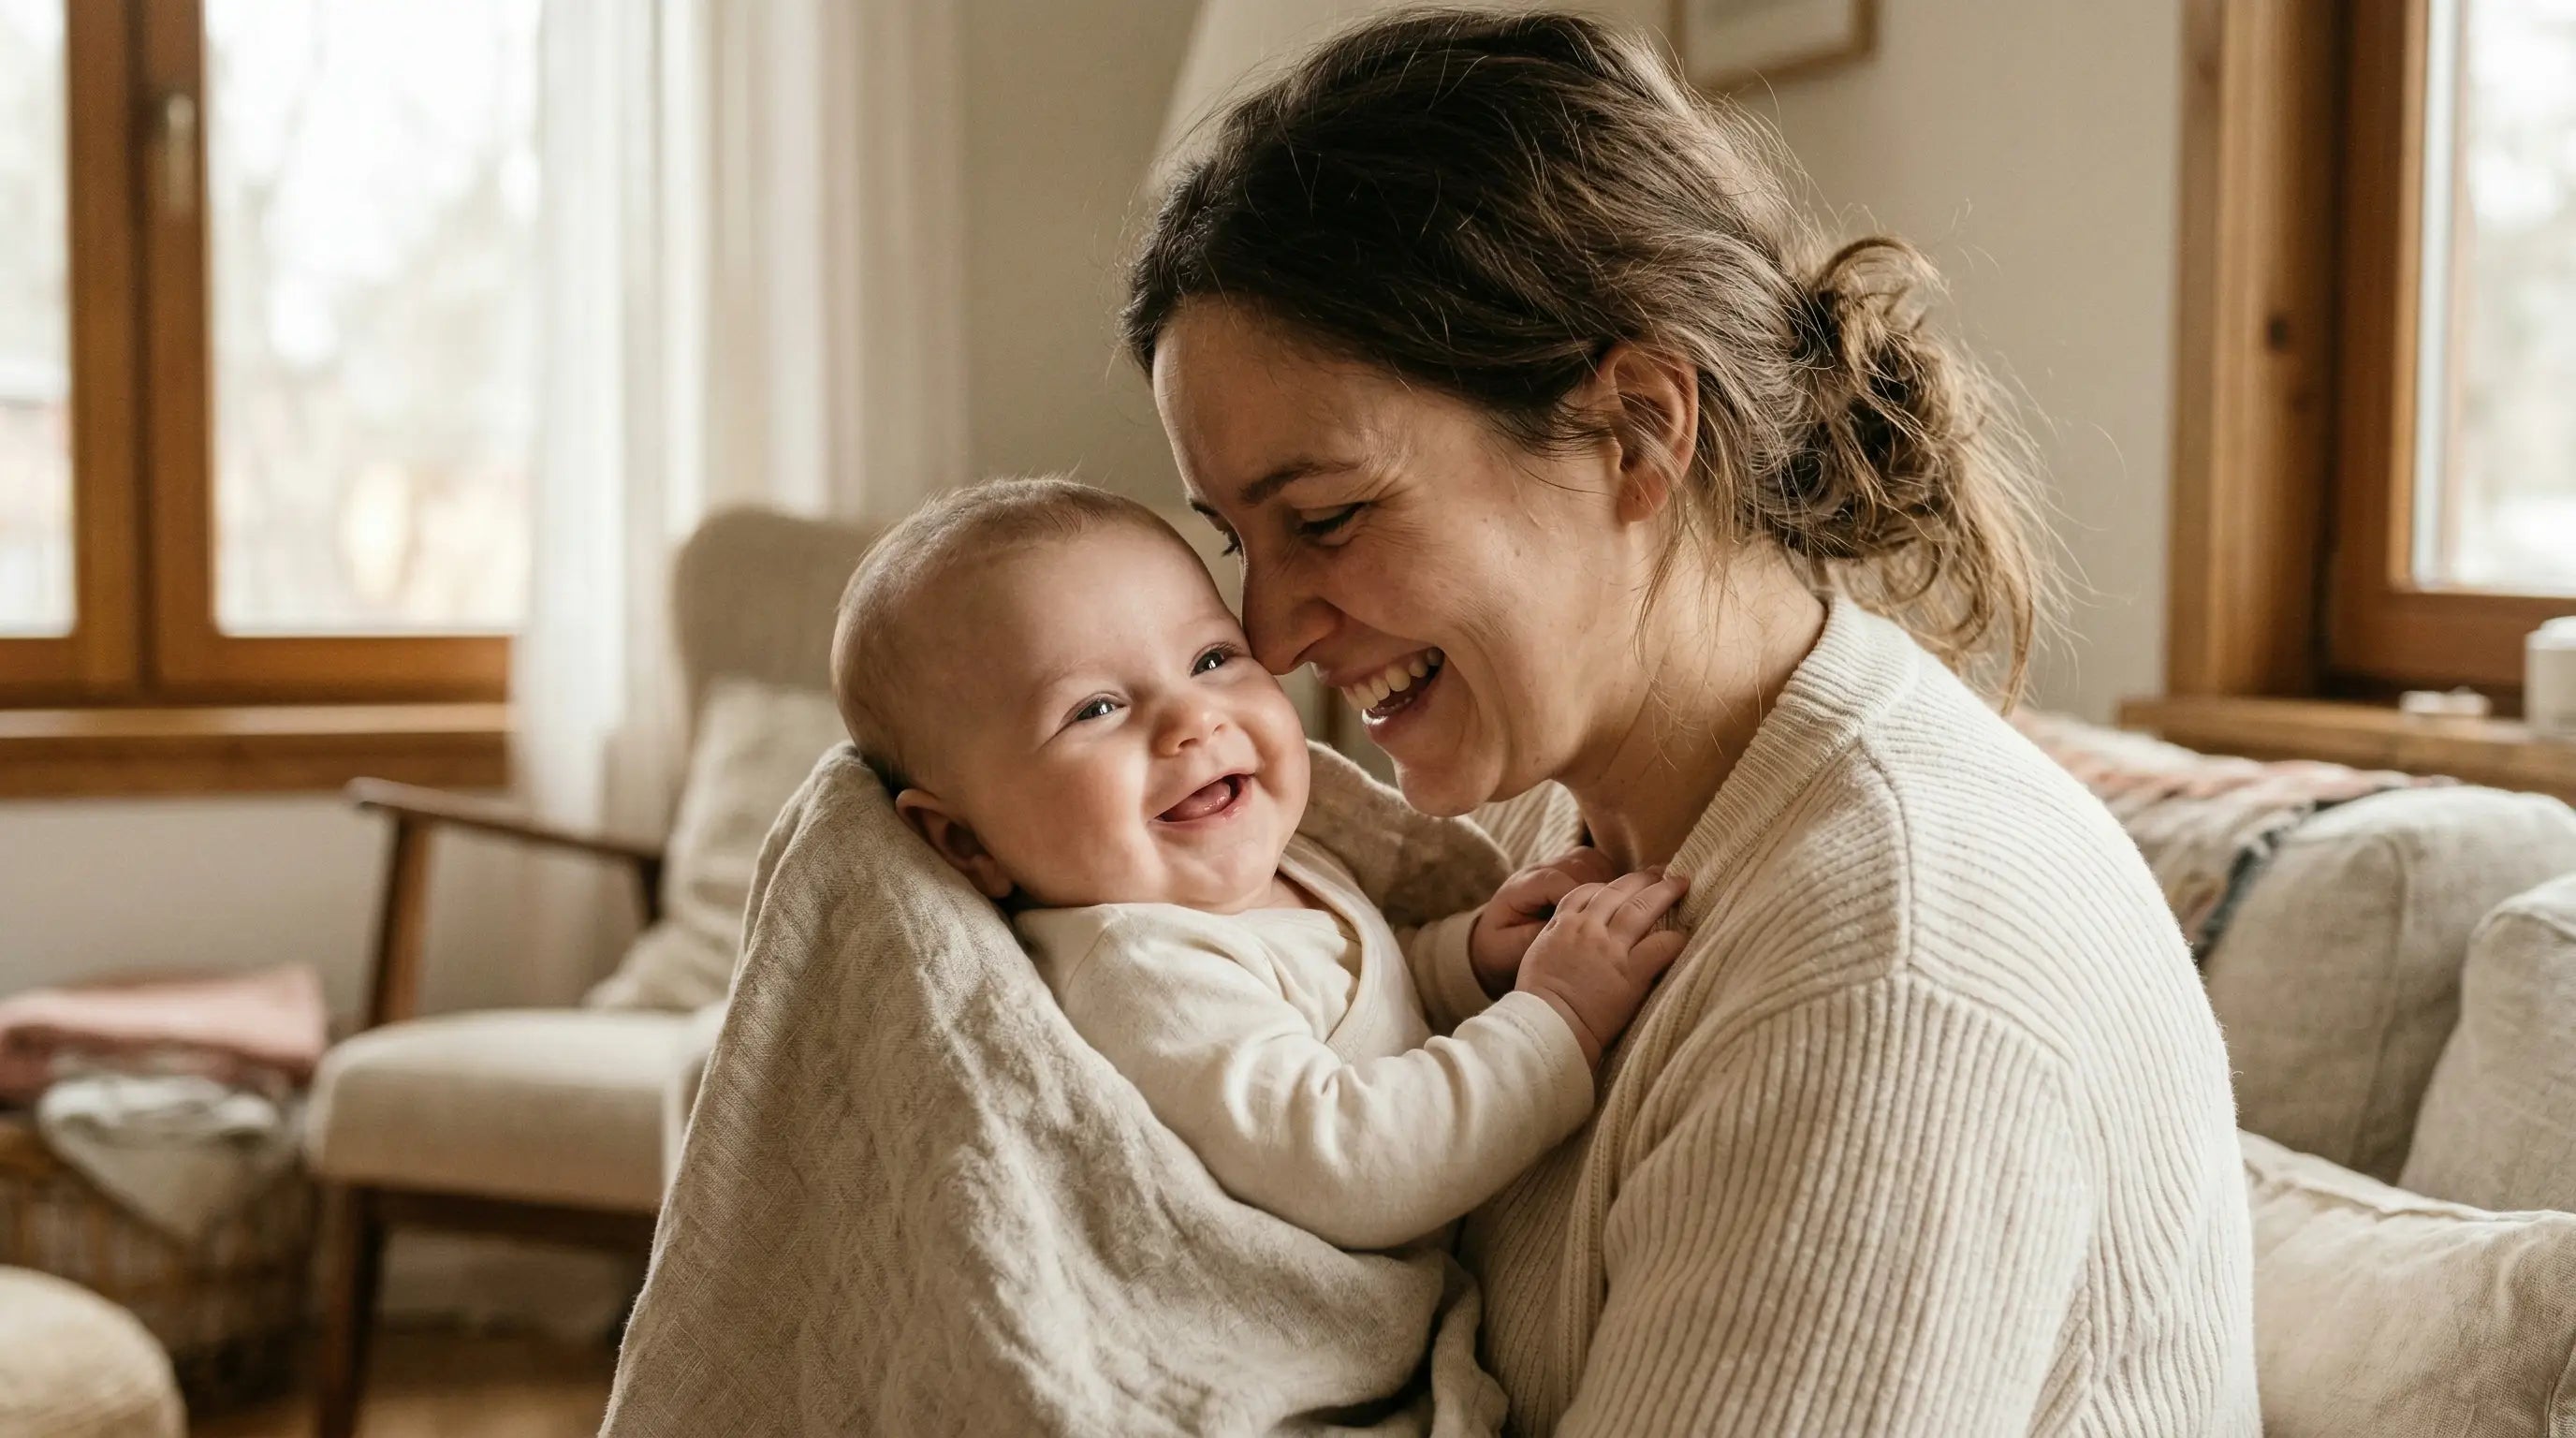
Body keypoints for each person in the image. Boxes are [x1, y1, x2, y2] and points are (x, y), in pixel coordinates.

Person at [1124, 10, 2259, 1435]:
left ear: (1639, 430)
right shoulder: (1557, 815)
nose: (1274, 635)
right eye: (1238, 543)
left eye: (1331, 517)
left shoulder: (1887, 974)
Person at [828, 476, 1689, 1253]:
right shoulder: (1141, 969)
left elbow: (1347, 1007)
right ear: (966, 843)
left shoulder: (1274, 870)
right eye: (1094, 708)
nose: (1190, 721)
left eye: (1210, 659)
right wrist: (1558, 1016)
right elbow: (1350, 1162)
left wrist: (1464, 960)